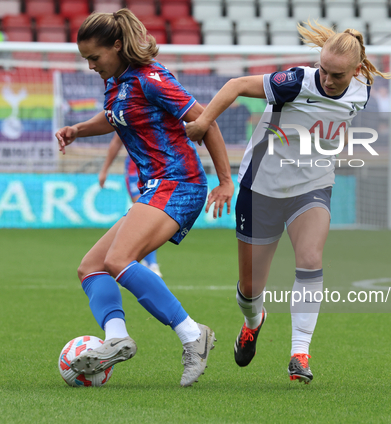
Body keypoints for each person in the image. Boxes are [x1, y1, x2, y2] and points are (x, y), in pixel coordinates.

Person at [186, 20, 391, 384]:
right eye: (324, 71)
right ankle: (254, 322)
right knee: (250, 289)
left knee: (311, 259)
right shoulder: (296, 81)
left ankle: (300, 352)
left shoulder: (362, 90)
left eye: (337, 75)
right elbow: (236, 85)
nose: (328, 80)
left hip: (313, 185)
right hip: (261, 186)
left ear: (357, 71)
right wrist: (204, 121)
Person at [55, 9, 234, 387]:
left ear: (117, 46)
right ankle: (116, 338)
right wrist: (77, 130)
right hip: (156, 185)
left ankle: (192, 335)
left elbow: (206, 121)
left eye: (94, 57)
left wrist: (225, 181)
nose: (90, 66)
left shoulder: (152, 78)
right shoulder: (117, 82)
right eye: (85, 59)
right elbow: (113, 117)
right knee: (92, 267)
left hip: (179, 182)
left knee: (119, 260)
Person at [98, 133, 162, 277]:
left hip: (158, 169)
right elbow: (116, 142)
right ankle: (150, 263)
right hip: (135, 170)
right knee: (146, 215)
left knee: (150, 217)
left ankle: (145, 260)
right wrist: (104, 170)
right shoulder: (129, 113)